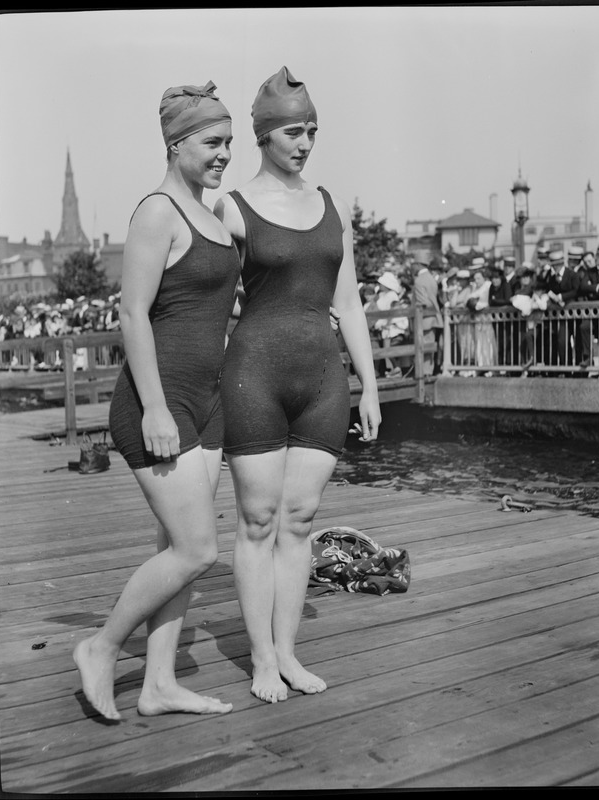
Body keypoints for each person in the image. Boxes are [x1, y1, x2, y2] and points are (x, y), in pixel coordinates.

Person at [73, 81, 239, 721]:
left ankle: (159, 684)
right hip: (159, 404)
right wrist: (155, 408)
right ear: (175, 143)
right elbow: (132, 315)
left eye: (229, 141)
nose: (224, 153)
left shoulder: (213, 212)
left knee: (178, 547)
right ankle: (101, 646)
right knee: (198, 550)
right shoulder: (157, 211)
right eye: (212, 141)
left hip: (207, 399)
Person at [214, 66, 381, 704]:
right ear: (263, 136)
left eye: (312, 130)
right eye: (293, 131)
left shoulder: (330, 204)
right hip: (254, 376)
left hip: (321, 380)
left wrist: (367, 384)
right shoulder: (231, 207)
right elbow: (201, 290)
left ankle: (288, 651)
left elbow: (351, 303)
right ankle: (260, 659)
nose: (305, 142)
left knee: (300, 520)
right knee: (257, 520)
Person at [413, 260, 443, 375]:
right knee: (430, 347)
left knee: (424, 347)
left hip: (424, 318)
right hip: (434, 317)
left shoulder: (419, 280)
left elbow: (422, 302)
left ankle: (424, 373)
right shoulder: (431, 277)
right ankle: (428, 371)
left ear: (418, 264)